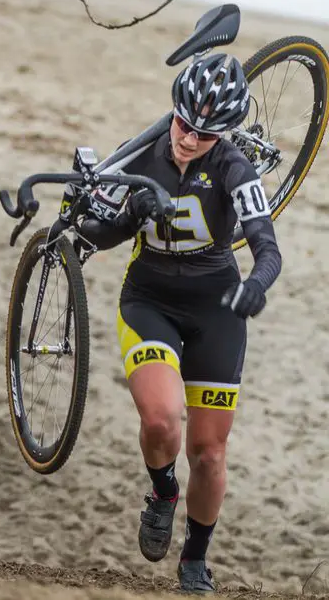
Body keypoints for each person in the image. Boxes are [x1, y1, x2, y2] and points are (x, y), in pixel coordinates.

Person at [78, 53, 281, 593]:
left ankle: (194, 560)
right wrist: (111, 218)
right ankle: (163, 492)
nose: (188, 140)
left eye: (204, 135)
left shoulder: (236, 168)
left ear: (224, 136)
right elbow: (104, 235)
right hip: (149, 300)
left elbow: (267, 246)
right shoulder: (142, 154)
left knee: (210, 454)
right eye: (183, 125)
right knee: (163, 420)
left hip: (217, 308)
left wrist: (255, 286)